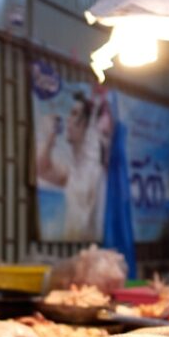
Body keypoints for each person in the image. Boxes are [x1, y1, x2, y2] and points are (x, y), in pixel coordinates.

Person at [36, 91, 108, 242]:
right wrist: (50, 138)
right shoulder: (72, 172)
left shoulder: (96, 173)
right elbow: (41, 169)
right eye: (70, 114)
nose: (68, 120)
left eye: (75, 114)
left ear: (87, 125)